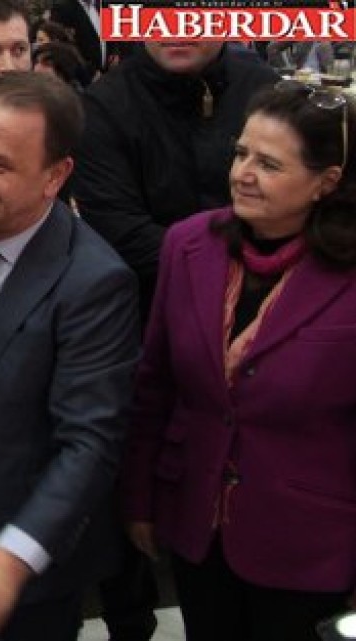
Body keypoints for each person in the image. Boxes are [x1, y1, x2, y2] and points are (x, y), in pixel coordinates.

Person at [0, 72, 139, 641]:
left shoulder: (94, 283)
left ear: (55, 176)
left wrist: (10, 559)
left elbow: (89, 445)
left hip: (20, 565)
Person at [123, 82, 356, 641]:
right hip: (197, 529)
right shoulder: (188, 245)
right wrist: (138, 498)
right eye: (241, 153)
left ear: (326, 182)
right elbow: (154, 385)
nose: (243, 174)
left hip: (310, 548)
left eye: (269, 164)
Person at [73, 42, 277, 313]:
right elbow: (120, 230)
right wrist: (233, 274)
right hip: (153, 305)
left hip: (274, 296)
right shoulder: (103, 106)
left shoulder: (265, 89)